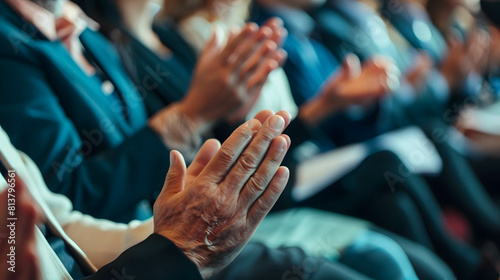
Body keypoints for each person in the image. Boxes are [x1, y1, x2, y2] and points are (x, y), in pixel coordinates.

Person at [0, 0, 285, 222]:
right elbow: (64, 195)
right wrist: (191, 117)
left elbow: (135, 138)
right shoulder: (11, 41)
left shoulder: (86, 29)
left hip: (166, 224)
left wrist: (224, 116)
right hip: (126, 247)